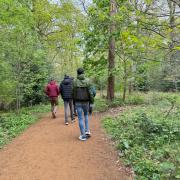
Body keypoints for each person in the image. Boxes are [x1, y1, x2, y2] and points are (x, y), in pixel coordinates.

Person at [73, 68, 94, 141]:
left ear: (77, 73)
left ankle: (83, 135)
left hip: (78, 102)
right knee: (86, 115)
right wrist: (92, 103)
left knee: (80, 118)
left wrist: (74, 102)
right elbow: (91, 93)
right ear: (83, 72)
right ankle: (87, 131)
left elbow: (73, 93)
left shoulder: (75, 81)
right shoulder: (88, 81)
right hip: (86, 102)